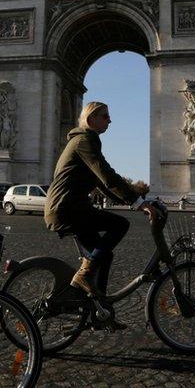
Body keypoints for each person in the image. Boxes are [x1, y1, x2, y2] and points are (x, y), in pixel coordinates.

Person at [44, 101, 157, 329]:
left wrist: (133, 199)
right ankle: (84, 277)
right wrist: (137, 202)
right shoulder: (84, 141)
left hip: (71, 207)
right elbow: (106, 175)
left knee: (103, 255)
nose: (110, 120)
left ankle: (100, 312)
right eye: (105, 116)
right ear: (91, 117)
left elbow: (103, 183)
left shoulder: (85, 141)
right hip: (66, 209)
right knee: (120, 225)